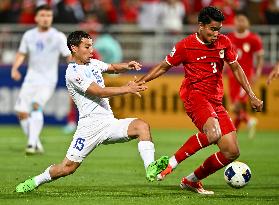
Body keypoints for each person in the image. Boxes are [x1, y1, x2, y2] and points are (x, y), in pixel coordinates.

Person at [15, 30, 169, 193]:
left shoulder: (93, 63)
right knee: (67, 168)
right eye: (87, 46)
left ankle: (150, 168)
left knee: (141, 126)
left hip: (109, 123)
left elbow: (112, 67)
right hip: (89, 128)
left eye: (91, 46)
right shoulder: (73, 72)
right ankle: (35, 181)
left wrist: (127, 65)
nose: (91, 50)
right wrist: (126, 89)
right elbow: (99, 92)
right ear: (74, 48)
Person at [136, 6, 263, 195]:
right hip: (194, 96)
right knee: (212, 133)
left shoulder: (224, 42)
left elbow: (236, 68)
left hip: (215, 100)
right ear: (201, 26)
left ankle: (191, 181)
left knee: (231, 151)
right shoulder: (185, 45)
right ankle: (170, 164)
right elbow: (164, 66)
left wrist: (251, 95)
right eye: (212, 29)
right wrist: (140, 81)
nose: (216, 34)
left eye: (219, 29)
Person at [11, 4, 71, 155]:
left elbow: (68, 55)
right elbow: (21, 53)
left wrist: (77, 67)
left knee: (36, 105)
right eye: (43, 15)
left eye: (49, 16)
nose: (46, 19)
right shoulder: (29, 35)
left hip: (48, 80)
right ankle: (36, 143)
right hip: (31, 79)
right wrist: (15, 68)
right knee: (22, 112)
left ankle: (31, 144)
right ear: (36, 18)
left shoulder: (58, 36)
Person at [226, 13, 264, 138]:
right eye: (238, 20)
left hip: (245, 77)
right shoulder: (229, 38)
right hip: (232, 77)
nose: (240, 23)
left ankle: (245, 124)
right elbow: (224, 57)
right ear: (234, 23)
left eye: (243, 20)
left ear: (247, 23)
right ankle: (241, 126)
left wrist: (257, 72)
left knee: (237, 104)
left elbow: (260, 57)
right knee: (234, 107)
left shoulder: (253, 39)